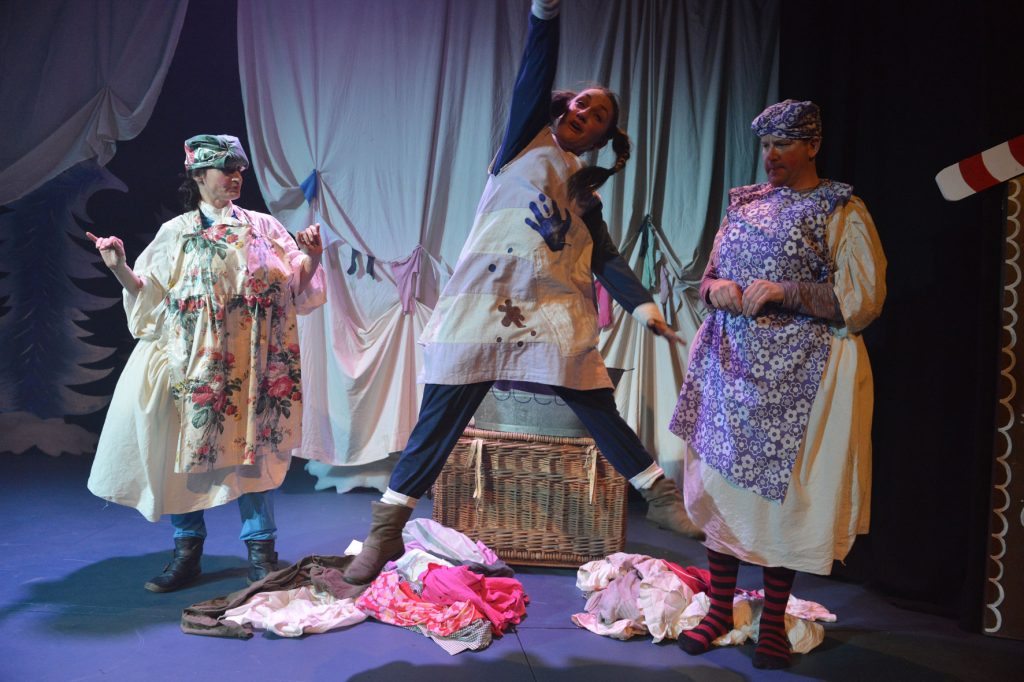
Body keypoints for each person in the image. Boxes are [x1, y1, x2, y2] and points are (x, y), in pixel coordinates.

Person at [337, 0, 701, 596]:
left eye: (600, 112)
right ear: (561, 108)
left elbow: (605, 257)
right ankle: (385, 530)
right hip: (485, 302)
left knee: (594, 401)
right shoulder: (524, 141)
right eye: (582, 100)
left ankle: (659, 496)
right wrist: (544, 14)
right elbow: (534, 70)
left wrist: (645, 307)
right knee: (440, 420)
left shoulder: (585, 193)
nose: (586, 108)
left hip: (550, 312)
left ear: (604, 137)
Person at [668, 100, 886, 669]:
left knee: (775, 499)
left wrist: (790, 292)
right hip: (729, 366)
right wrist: (713, 289)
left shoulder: (839, 209)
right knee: (720, 487)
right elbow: (711, 273)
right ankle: (718, 608)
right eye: (766, 145)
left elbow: (862, 301)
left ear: (812, 146)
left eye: (784, 144)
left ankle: (772, 621)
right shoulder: (745, 204)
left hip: (796, 375)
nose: (772, 156)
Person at [86, 134, 327, 592]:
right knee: (190, 452)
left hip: (257, 361)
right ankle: (187, 552)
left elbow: (298, 285)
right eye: (224, 169)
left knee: (256, 452)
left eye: (239, 169)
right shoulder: (177, 232)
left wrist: (312, 258)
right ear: (199, 176)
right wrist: (117, 265)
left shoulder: (264, 227)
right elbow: (148, 293)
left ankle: (262, 554)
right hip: (198, 363)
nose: (235, 177)